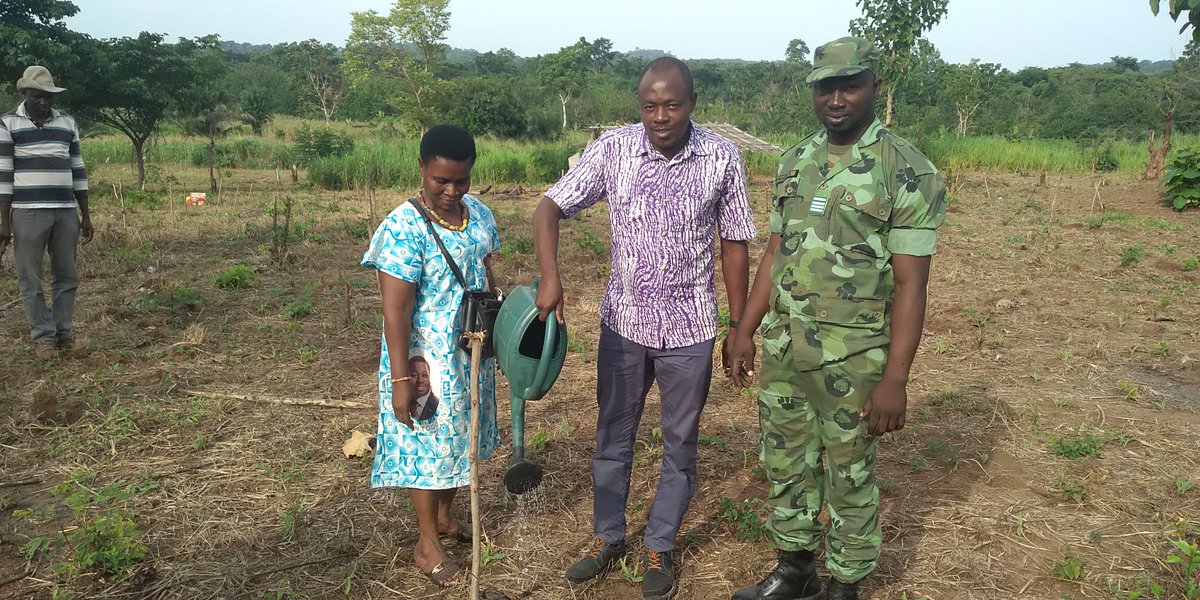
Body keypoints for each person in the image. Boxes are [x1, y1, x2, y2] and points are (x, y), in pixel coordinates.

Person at [726, 37, 947, 600]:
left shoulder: (908, 171)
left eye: (849, 85)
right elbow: (775, 251)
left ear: (874, 86)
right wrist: (744, 329)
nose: (837, 99)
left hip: (854, 356)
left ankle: (847, 583)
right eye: (826, 87)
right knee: (785, 462)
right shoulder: (794, 161)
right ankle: (795, 568)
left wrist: (896, 378)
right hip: (784, 348)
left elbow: (910, 284)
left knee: (849, 474)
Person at [534, 57, 755, 600]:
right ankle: (607, 536)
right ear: (639, 105)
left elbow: (734, 244)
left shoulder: (722, 158)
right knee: (613, 437)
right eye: (650, 105)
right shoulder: (613, 149)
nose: (661, 115)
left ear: (692, 103)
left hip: (692, 329)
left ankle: (660, 543)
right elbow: (549, 206)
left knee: (680, 441)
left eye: (672, 104)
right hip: (625, 325)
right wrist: (550, 276)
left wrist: (739, 326)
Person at [361, 124, 501, 587]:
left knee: (461, 438)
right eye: (441, 179)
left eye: (461, 180)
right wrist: (401, 380)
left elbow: (485, 272)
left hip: (469, 353)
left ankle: (445, 518)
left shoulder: (478, 214)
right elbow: (395, 310)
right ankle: (426, 544)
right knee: (426, 447)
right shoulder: (402, 228)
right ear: (421, 168)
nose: (451, 190)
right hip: (425, 365)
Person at [0, 66, 94, 360]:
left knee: (67, 275)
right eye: (36, 96)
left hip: (65, 211)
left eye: (48, 96)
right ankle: (43, 337)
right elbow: (4, 175)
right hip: (27, 213)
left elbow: (78, 169)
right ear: (26, 94)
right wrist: (4, 223)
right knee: (30, 278)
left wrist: (86, 214)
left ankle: (64, 332)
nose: (43, 101)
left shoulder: (67, 123)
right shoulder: (8, 124)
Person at [408, 355, 440, 421]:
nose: (420, 380)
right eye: (414, 375)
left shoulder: (437, 404)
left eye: (424, 375)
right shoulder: (403, 400)